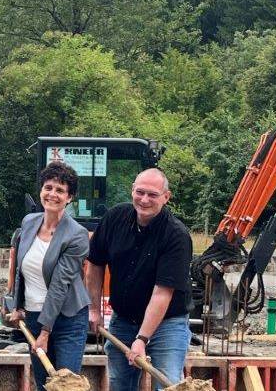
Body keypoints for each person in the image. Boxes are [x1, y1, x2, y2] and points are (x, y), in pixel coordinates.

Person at [86, 168, 193, 391]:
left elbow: (162, 293)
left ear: (166, 197)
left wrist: (142, 339)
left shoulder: (176, 235)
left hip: (168, 324)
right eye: (140, 192)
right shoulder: (115, 218)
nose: (144, 200)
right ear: (132, 190)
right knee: (119, 384)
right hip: (123, 320)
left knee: (168, 384)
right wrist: (94, 309)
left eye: (152, 195)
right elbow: (95, 264)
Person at [6, 162, 90, 391]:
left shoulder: (77, 236)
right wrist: (17, 305)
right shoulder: (29, 222)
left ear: (70, 197)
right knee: (43, 382)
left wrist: (45, 331)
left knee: (65, 383)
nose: (52, 194)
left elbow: (59, 286)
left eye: (60, 190)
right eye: (48, 187)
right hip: (34, 315)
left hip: (67, 319)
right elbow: (20, 269)